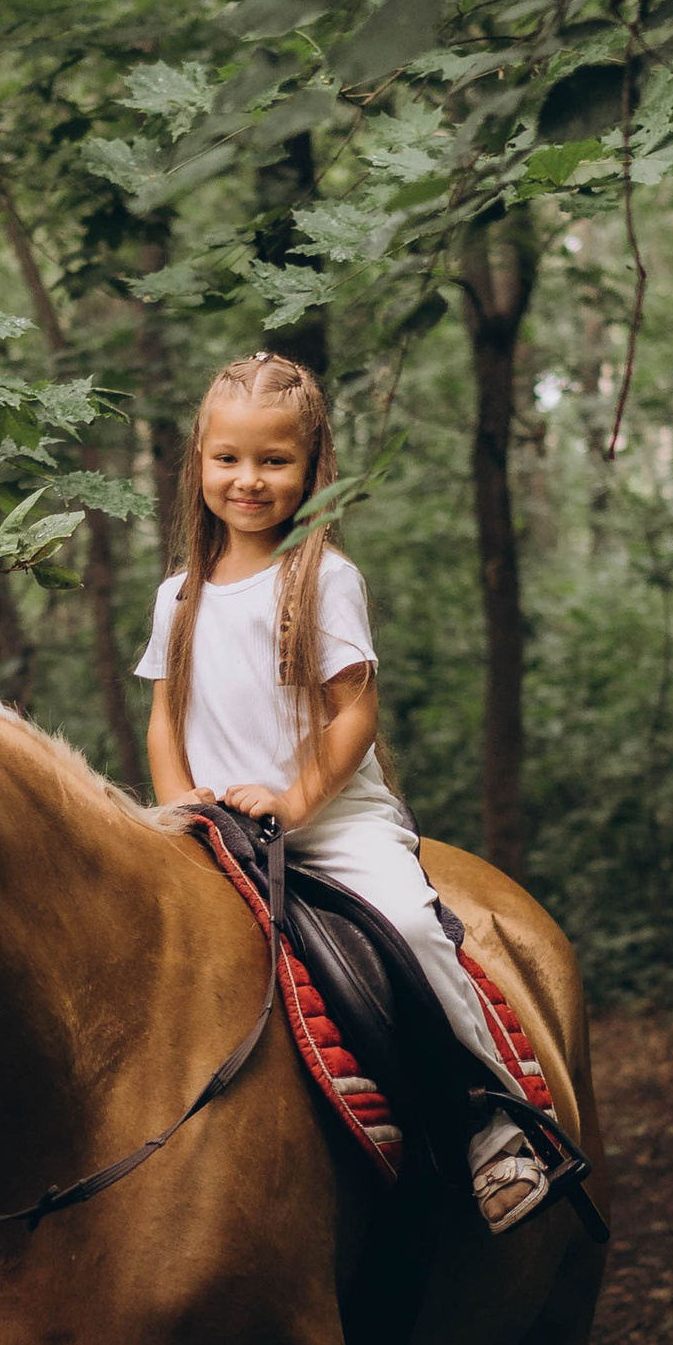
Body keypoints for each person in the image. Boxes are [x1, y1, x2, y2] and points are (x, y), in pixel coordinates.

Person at [136, 349, 551, 1232]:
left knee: (406, 926)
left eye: (273, 460)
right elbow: (164, 719)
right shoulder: (178, 594)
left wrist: (291, 801)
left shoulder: (322, 578)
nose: (248, 480)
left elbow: (353, 715)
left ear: (312, 464)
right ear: (200, 462)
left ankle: (489, 1119)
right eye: (229, 458)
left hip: (327, 822)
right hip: (211, 827)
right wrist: (177, 810)